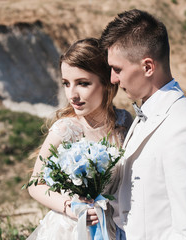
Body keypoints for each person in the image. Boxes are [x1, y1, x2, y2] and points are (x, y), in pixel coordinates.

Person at [100, 9, 186, 240]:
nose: (113, 79)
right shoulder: (147, 112)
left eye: (118, 69)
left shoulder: (182, 127)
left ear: (148, 67)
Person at [27, 38, 133, 240]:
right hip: (72, 229)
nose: (72, 94)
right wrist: (71, 207)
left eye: (83, 83)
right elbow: (35, 183)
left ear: (106, 82)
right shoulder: (65, 129)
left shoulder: (124, 121)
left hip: (113, 225)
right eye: (66, 84)